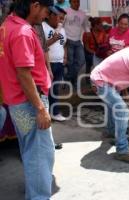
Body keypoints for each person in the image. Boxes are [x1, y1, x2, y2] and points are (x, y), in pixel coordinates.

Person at [0, 0, 55, 199]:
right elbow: (24, 73)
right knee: (41, 154)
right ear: (35, 5)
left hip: (17, 103)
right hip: (30, 103)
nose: (46, 16)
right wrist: (40, 109)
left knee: (30, 150)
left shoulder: (7, 26)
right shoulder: (22, 32)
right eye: (46, 11)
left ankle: (34, 192)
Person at [43, 5, 67, 121]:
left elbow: (64, 44)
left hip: (59, 63)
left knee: (55, 89)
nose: (61, 21)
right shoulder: (43, 27)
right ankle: (45, 113)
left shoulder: (62, 29)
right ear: (51, 16)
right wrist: (54, 39)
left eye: (63, 19)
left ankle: (55, 112)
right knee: (46, 90)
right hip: (48, 64)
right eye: (59, 18)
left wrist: (65, 57)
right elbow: (42, 46)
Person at [64, 0, 89, 89]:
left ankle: (67, 77)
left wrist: (88, 34)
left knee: (81, 61)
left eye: (78, 2)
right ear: (70, 3)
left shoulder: (82, 13)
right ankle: (73, 81)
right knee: (70, 63)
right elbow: (61, 25)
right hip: (68, 40)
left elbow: (86, 26)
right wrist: (63, 40)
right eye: (74, 2)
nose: (77, 4)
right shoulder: (66, 12)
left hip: (78, 40)